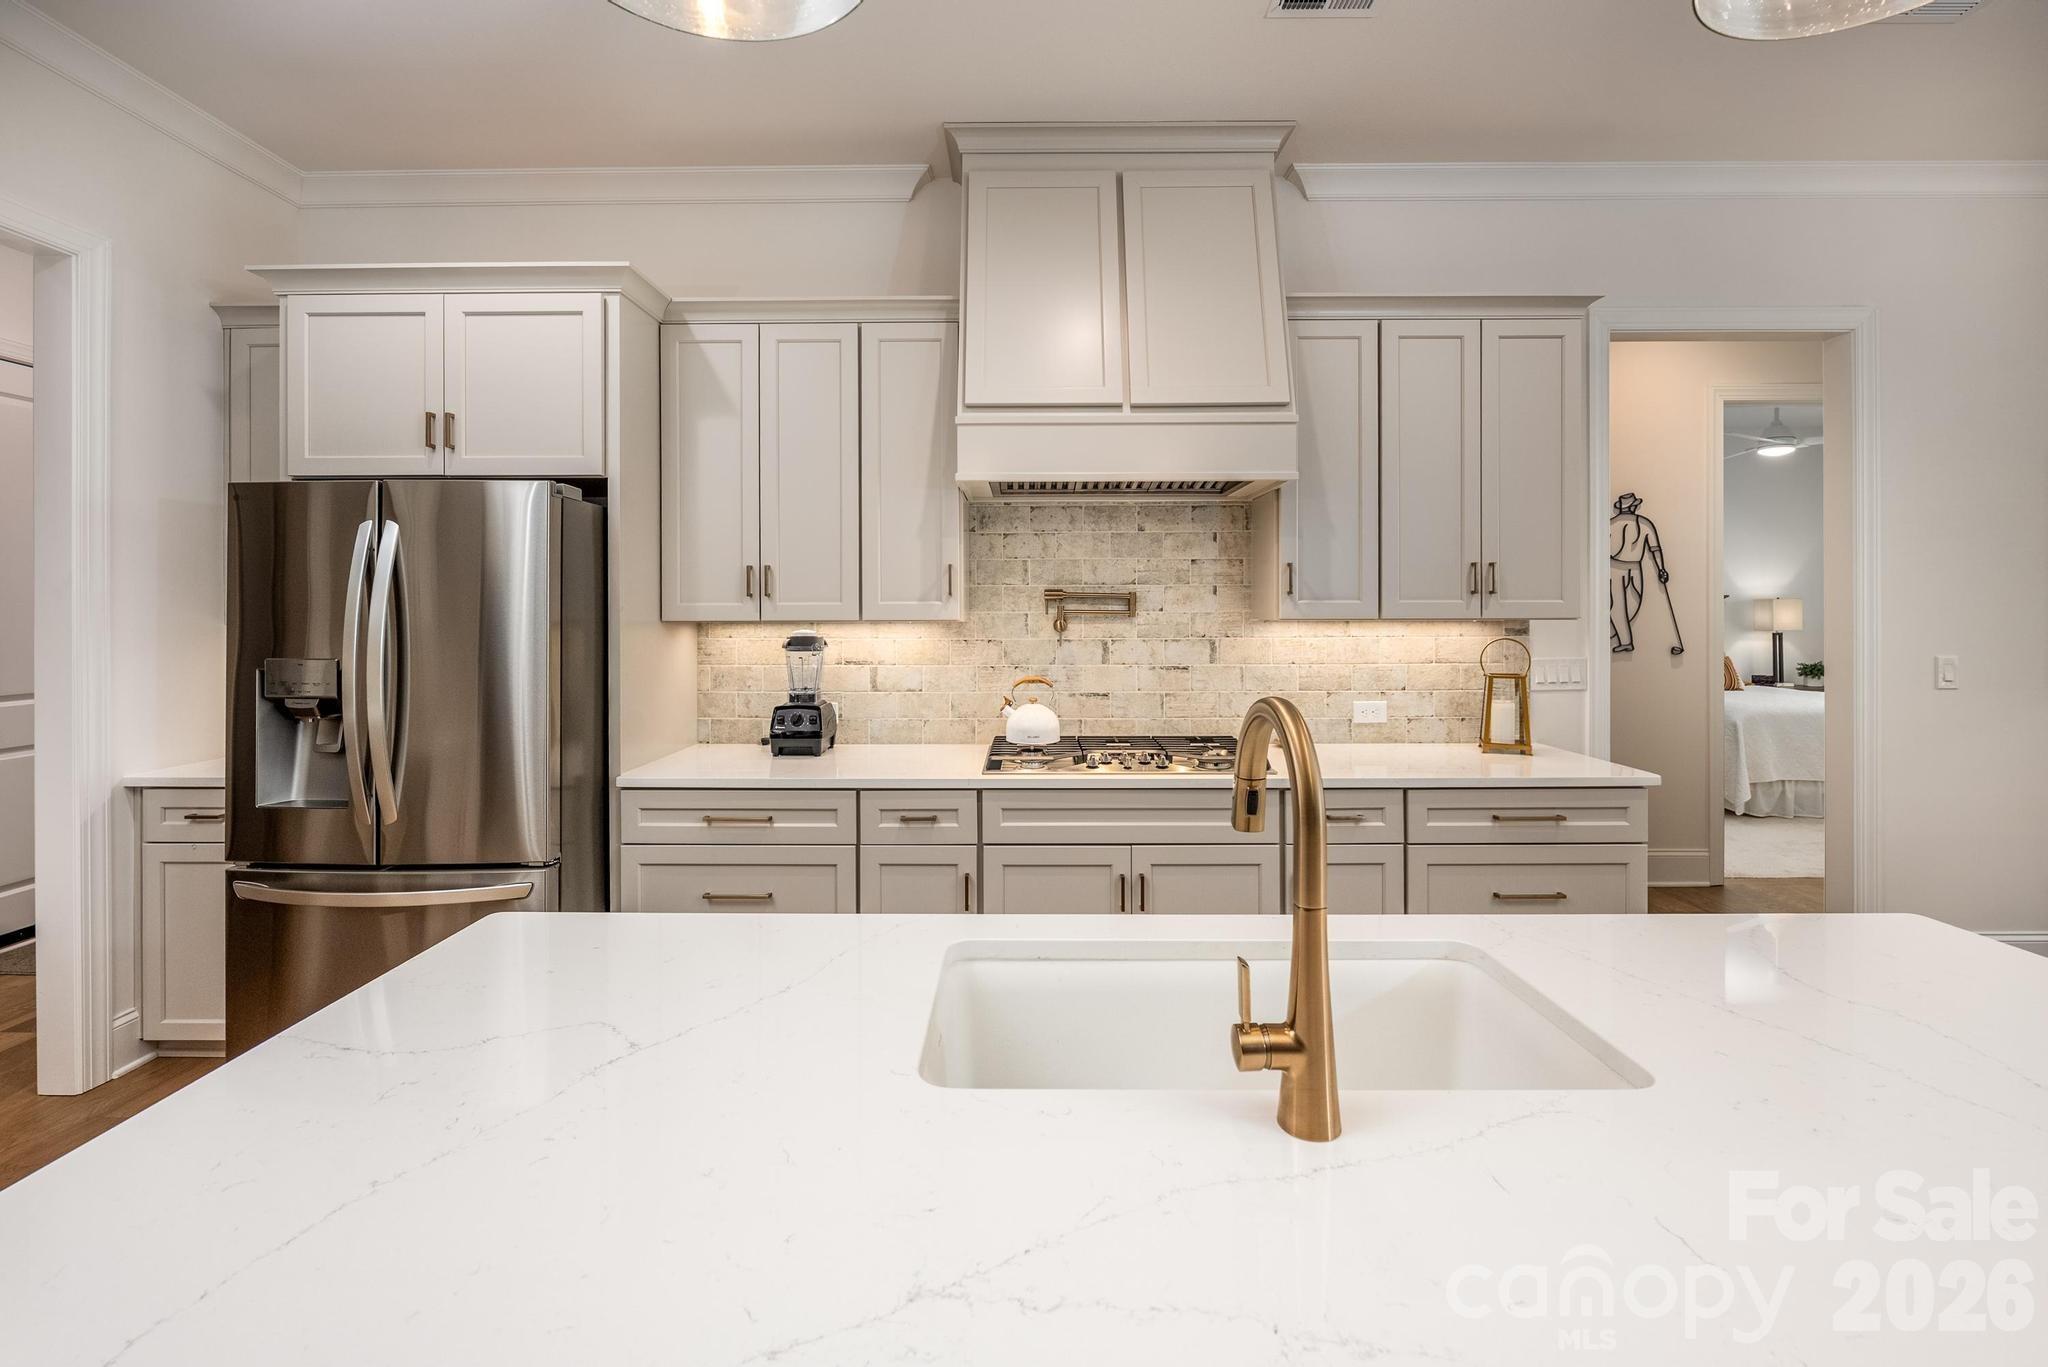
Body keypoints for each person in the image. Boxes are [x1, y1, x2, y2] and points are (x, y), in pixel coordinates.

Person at [1608, 492, 1668, 653]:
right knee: (1632, 603)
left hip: (1616, 566)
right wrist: (1661, 568)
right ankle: (1624, 638)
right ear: (1633, 506)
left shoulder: (1611, 524)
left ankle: (1622, 638)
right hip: (1634, 566)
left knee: (1619, 606)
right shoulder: (1644, 523)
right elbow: (1655, 549)